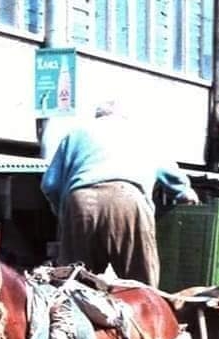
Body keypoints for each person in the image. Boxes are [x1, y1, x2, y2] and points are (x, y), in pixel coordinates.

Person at [41, 101, 200, 287]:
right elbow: (171, 174)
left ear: (98, 116)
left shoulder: (74, 134)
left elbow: (50, 184)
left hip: (80, 201)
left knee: (75, 282)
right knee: (140, 282)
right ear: (124, 117)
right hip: (127, 198)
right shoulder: (142, 134)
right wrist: (185, 192)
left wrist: (63, 212)